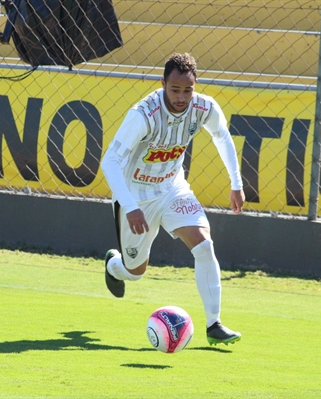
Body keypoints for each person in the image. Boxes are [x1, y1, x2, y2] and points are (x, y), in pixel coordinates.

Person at [101, 53, 245, 346]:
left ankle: (214, 324)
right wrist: (129, 206)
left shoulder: (204, 107)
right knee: (135, 272)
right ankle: (113, 266)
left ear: (195, 86)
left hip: (172, 188)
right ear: (163, 84)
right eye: (175, 90)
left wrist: (236, 182)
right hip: (135, 197)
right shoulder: (143, 115)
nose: (181, 97)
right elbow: (110, 162)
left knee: (204, 244)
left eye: (188, 90)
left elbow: (222, 136)